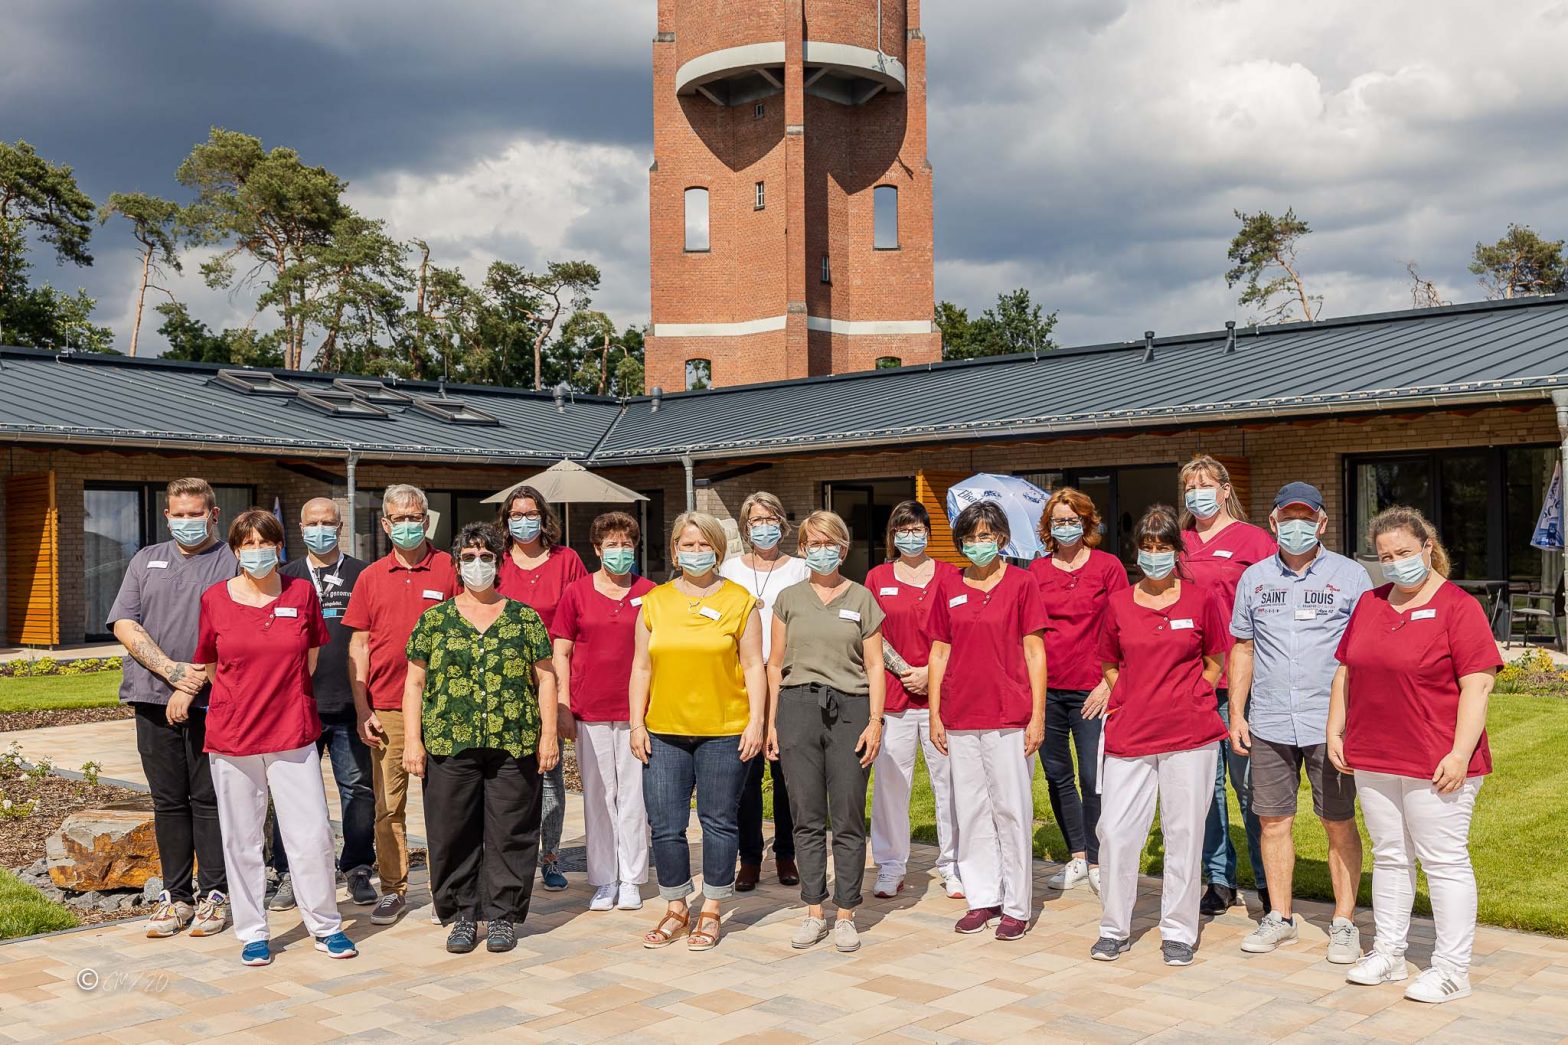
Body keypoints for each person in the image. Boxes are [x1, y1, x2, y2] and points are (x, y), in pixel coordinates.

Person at [1329, 506, 1500, 1004]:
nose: (1396, 563)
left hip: (1437, 759)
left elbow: (1479, 685)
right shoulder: (1370, 603)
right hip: (1376, 754)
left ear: (1428, 548)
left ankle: (1451, 969)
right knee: (1389, 857)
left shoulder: (1457, 606)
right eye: (1386, 556)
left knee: (1443, 860)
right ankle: (1387, 953)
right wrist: (1336, 727)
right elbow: (1346, 670)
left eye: (1405, 552)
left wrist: (1460, 753)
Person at [194, 509, 357, 967]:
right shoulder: (214, 599)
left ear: (280, 547)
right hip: (233, 734)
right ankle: (252, 932)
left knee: (311, 834)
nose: (258, 552)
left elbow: (308, 660)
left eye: (266, 543)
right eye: (248, 544)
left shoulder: (301, 593)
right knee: (242, 837)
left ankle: (325, 925)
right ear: (235, 550)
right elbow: (211, 664)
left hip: (292, 729)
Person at [1229, 483, 1371, 963]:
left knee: (1338, 822)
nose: (1296, 526)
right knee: (1272, 822)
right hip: (1268, 720)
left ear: (1322, 523)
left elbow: (1364, 656)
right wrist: (1236, 713)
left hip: (1328, 725)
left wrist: (1354, 721)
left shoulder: (1351, 577)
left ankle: (1345, 922)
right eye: (1287, 517)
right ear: (1272, 522)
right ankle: (1280, 918)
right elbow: (1243, 648)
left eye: (1305, 517)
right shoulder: (1253, 579)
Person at [403, 523, 560, 954]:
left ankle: (504, 915)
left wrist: (549, 736)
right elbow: (414, 683)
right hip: (449, 742)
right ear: (456, 565)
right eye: (469, 557)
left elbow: (546, 679)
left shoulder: (524, 617)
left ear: (499, 562)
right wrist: (412, 742)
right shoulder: (434, 620)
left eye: (486, 556)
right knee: (452, 831)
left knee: (512, 830)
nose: (478, 564)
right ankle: (462, 916)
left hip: (514, 743)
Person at [1090, 505, 1231, 967]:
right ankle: (1113, 926)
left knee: (1184, 832)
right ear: (1137, 553)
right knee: (1114, 832)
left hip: (1190, 734)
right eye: (1147, 548)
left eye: (1163, 548)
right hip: (1131, 732)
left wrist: (1196, 694)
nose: (1154, 556)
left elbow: (1215, 658)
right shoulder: (1118, 605)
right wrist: (1125, 694)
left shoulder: (1200, 598)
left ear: (1176, 551)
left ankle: (1178, 930)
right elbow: (1109, 662)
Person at [630, 511, 767, 952]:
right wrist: (637, 722)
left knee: (718, 822)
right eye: (686, 545)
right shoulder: (655, 602)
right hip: (664, 731)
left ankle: (711, 906)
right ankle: (675, 906)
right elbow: (641, 667)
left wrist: (757, 722)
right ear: (674, 551)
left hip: (724, 730)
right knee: (666, 825)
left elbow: (753, 667)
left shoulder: (740, 601)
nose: (695, 552)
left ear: (718, 550)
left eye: (703, 544)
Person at [108, 477, 235, 939]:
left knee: (208, 799)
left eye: (195, 512)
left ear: (213, 514)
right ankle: (176, 898)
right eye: (178, 514)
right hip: (150, 697)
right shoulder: (145, 560)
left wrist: (191, 682)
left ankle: (216, 894)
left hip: (213, 701)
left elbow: (236, 629)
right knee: (167, 802)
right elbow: (124, 621)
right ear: (167, 516)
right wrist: (170, 673)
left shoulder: (232, 562)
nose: (187, 521)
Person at [928, 500, 1048, 942]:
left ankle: (1016, 904)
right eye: (969, 537)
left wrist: (1037, 715)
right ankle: (983, 897)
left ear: (1001, 538)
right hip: (960, 715)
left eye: (985, 536)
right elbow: (939, 651)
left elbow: (1035, 651)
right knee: (972, 810)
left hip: (1009, 714)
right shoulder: (950, 587)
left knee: (1012, 811)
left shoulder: (1022, 583)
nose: (977, 544)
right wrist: (937, 714)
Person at [767, 511, 886, 953]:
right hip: (797, 707)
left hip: (851, 710)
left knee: (849, 815)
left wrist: (876, 721)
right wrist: (771, 724)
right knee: (807, 815)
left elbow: (875, 665)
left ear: (844, 546)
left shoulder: (862, 598)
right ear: (802, 548)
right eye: (813, 543)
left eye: (830, 542)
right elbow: (775, 663)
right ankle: (814, 909)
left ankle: (847, 912)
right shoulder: (788, 598)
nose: (822, 550)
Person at [344, 484, 460, 926]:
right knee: (389, 806)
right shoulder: (370, 577)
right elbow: (359, 645)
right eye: (400, 518)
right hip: (388, 706)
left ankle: (447, 888)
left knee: (446, 804)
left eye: (416, 516)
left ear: (426, 519)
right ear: (386, 523)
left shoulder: (451, 568)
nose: (408, 524)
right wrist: (362, 708)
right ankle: (393, 888)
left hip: (444, 706)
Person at [1178, 454, 1275, 916]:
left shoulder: (1254, 540)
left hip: (1245, 680)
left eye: (1205, 484)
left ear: (1224, 488)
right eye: (1189, 487)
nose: (1197, 493)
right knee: (1205, 788)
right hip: (1195, 680)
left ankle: (1268, 879)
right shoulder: (1178, 543)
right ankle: (1218, 879)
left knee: (1250, 785)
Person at [268, 497, 376, 912]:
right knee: (292, 794)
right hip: (297, 706)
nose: (320, 529)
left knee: (358, 790)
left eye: (328, 522)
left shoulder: (361, 575)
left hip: (349, 704)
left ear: (340, 526)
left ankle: (359, 868)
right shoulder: (285, 577)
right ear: (299, 527)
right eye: (312, 523)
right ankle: (289, 872)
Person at [551, 512, 656, 913]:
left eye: (626, 544)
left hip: (636, 712)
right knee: (598, 796)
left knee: (634, 797)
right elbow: (561, 650)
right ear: (596, 550)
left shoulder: (651, 592)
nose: (619, 551)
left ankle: (631, 877)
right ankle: (604, 879)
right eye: (611, 545)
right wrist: (563, 704)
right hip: (589, 708)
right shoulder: (577, 593)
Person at [1028, 487, 1127, 896]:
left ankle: (1102, 857)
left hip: (1092, 688)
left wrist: (1109, 683)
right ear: (1048, 527)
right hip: (1048, 689)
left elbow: (1124, 626)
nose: (1065, 526)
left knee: (1093, 775)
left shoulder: (1108, 567)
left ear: (1087, 523)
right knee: (1057, 774)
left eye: (1073, 520)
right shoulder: (1036, 571)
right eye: (1058, 520)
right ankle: (1078, 856)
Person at [867, 501, 965, 901]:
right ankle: (890, 865)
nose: (911, 536)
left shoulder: (950, 575)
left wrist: (931, 673)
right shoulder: (876, 577)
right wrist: (906, 669)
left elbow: (962, 628)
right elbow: (871, 632)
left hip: (942, 700)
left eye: (917, 528)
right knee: (892, 785)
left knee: (951, 785)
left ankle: (954, 864)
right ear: (892, 535)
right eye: (902, 529)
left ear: (929, 531)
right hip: (893, 697)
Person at [495, 484, 588, 893]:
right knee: (506, 770)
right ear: (505, 520)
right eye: (515, 515)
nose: (523, 521)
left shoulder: (566, 561)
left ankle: (549, 855)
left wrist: (566, 694)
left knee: (548, 770)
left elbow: (581, 623)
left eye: (530, 513)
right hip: (502, 683)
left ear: (543, 516)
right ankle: (509, 852)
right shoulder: (493, 562)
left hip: (551, 680)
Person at [720, 491, 807, 891]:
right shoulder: (728, 569)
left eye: (771, 518)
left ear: (782, 524)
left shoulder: (801, 569)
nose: (764, 526)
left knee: (787, 775)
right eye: (756, 520)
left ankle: (786, 853)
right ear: (745, 526)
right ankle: (750, 857)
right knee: (746, 775)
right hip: (741, 683)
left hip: (788, 681)